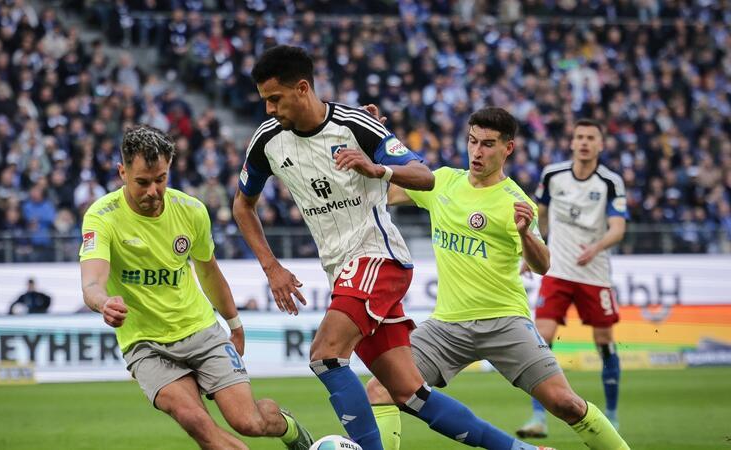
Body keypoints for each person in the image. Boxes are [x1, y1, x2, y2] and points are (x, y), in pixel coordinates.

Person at [233, 45, 552, 450]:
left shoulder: (356, 126)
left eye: (274, 99)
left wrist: (377, 166)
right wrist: (271, 267)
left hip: (378, 258)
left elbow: (424, 175)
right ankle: (520, 449)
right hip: (342, 271)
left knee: (325, 354)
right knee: (408, 393)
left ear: (302, 88)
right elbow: (242, 205)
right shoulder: (267, 141)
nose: (269, 109)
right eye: (264, 100)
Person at [362, 107, 629, 450]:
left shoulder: (516, 202)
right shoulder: (442, 181)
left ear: (508, 149)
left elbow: (544, 264)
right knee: (380, 390)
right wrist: (375, 138)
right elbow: (381, 190)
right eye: (473, 141)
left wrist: (527, 235)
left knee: (566, 403)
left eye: (488, 144)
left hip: (504, 322)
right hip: (447, 326)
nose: (477, 151)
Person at [79, 124, 313, 450]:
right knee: (195, 421)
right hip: (146, 344)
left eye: (160, 179)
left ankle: (288, 428)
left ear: (169, 170)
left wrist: (234, 323)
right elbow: (91, 281)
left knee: (249, 422)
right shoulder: (101, 217)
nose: (153, 191)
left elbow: (209, 273)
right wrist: (103, 302)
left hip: (202, 331)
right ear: (122, 172)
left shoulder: (191, 211)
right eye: (142, 182)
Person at [517, 119, 628, 437]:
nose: (584, 142)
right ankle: (538, 418)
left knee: (604, 341)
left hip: (594, 275)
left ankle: (613, 416)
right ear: (572, 142)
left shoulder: (610, 182)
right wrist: (532, 253)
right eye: (579, 137)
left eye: (591, 138)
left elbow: (618, 229)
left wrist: (596, 247)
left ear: (600, 145)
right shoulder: (553, 175)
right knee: (541, 338)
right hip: (558, 271)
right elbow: (541, 218)